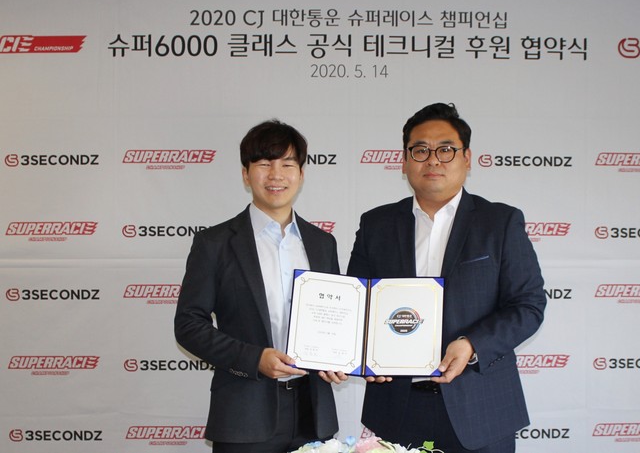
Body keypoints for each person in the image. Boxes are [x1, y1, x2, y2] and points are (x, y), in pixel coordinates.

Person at [347, 103, 546, 453]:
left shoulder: (499, 223)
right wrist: (359, 354)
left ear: (467, 158)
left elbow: (528, 306)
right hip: (395, 409)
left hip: (481, 408)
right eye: (420, 150)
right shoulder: (376, 225)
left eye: (445, 149)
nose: (433, 160)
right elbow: (356, 305)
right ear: (404, 160)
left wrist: (472, 345)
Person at [175, 119, 347, 453]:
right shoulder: (215, 243)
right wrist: (254, 358)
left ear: (301, 174)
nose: (276, 175)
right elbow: (188, 324)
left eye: (287, 164)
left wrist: (339, 356)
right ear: (245, 174)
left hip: (314, 414)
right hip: (244, 416)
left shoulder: (322, 243)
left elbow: (335, 319)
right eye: (264, 164)